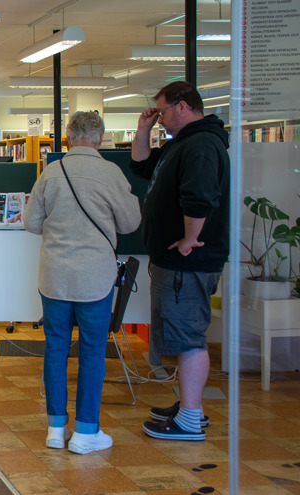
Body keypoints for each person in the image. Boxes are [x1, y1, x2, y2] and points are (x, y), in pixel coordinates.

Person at [24, 111, 141, 454]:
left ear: (67, 139)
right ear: (100, 138)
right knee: (92, 351)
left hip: (55, 277)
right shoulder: (111, 173)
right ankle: (86, 431)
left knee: (56, 348)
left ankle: (55, 429)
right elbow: (131, 222)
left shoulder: (51, 172)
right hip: (95, 278)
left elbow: (32, 223)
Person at [130, 81, 229, 441]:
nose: (161, 119)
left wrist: (189, 239)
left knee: (188, 338)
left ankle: (189, 420)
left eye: (164, 112)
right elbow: (141, 166)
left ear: (183, 106)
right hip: (176, 262)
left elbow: (199, 197)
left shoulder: (201, 144)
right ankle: (192, 407)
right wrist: (143, 130)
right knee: (185, 335)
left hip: (188, 262)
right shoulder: (182, 144)